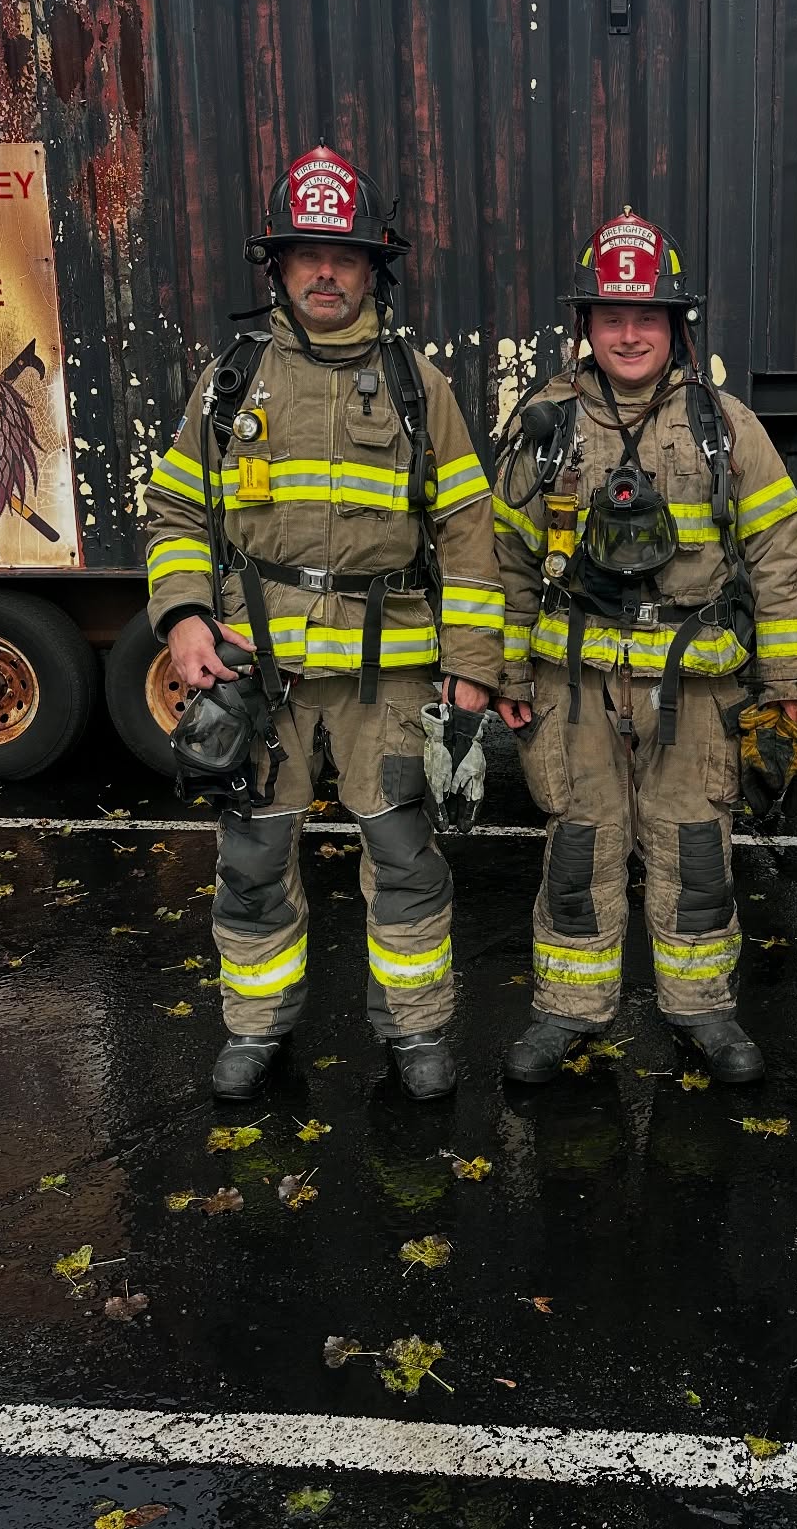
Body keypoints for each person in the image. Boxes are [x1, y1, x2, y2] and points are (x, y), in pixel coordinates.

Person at [144, 143, 502, 1102]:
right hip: (252, 670)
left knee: (406, 858)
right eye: (308, 254)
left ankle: (418, 1031)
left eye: (344, 255)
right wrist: (183, 618)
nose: (327, 271)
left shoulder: (421, 387)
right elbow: (177, 510)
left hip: (386, 680)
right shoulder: (232, 382)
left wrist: (472, 671)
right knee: (253, 859)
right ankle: (257, 1028)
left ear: (374, 265)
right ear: (280, 267)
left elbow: (468, 533)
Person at [492, 208, 797, 1085]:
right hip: (574, 686)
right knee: (577, 848)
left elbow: (783, 558)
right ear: (585, 326)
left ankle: (702, 1011)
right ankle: (568, 1011)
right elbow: (506, 558)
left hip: (697, 696)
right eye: (610, 316)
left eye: (647, 317)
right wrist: (507, 670)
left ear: (676, 326)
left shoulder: (725, 427)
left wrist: (786, 684)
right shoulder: (545, 424)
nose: (628, 333)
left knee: (695, 851)